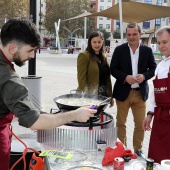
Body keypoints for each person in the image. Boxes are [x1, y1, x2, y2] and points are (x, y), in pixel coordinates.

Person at [0, 19, 97, 170]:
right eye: (30, 50)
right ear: (12, 48)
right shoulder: (8, 79)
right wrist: (75, 115)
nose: (32, 56)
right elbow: (35, 122)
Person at [110, 22, 156, 155]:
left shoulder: (147, 50)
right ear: (126, 35)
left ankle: (138, 150)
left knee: (140, 124)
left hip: (140, 94)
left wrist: (144, 76)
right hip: (123, 92)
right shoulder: (119, 50)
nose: (132, 37)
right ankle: (122, 149)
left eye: (134, 34)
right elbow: (113, 69)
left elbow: (153, 68)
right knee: (121, 124)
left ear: (140, 34)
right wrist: (124, 77)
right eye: (129, 34)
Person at [143, 26, 170, 163]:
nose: (161, 46)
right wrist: (149, 114)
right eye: (159, 43)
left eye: (164, 42)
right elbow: (155, 93)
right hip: (160, 116)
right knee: (157, 154)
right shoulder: (160, 65)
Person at [76, 31, 114, 106]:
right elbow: (81, 78)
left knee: (100, 117)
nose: (97, 44)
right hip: (89, 96)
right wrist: (86, 97)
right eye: (94, 42)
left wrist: (110, 97)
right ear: (90, 42)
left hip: (103, 95)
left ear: (102, 42)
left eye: (99, 42)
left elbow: (107, 79)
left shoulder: (103, 56)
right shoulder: (84, 56)